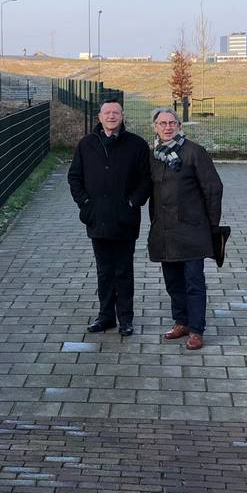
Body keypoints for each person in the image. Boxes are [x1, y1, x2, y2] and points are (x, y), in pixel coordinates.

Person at [67, 99, 152, 337]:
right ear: (99, 117)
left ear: (122, 116)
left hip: (125, 219)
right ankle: (106, 316)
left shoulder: (136, 144)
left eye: (116, 112)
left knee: (123, 270)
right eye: (107, 113)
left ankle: (125, 318)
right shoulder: (86, 144)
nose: (112, 116)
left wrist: (133, 202)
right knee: (104, 271)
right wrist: (85, 204)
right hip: (97, 219)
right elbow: (74, 177)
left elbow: (146, 180)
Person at [147, 107, 223, 351]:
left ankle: (197, 330)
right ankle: (181, 322)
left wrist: (211, 224)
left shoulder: (194, 152)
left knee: (193, 282)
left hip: (192, 230)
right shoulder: (154, 154)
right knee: (173, 282)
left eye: (172, 123)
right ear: (155, 127)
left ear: (179, 125)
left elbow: (213, 189)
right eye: (162, 123)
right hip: (165, 231)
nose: (167, 127)